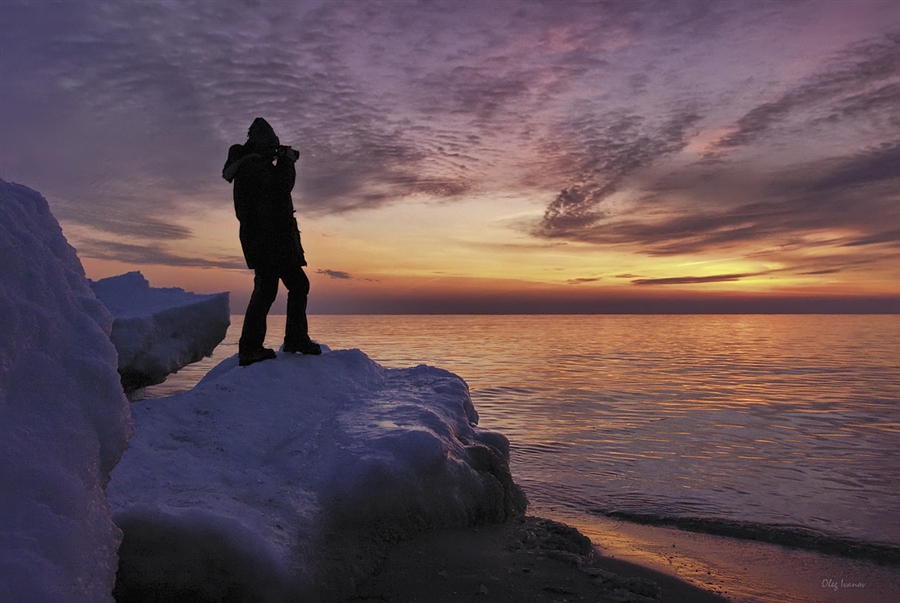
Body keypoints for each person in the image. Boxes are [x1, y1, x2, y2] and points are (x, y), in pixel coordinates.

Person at [223, 117, 321, 366]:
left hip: (267, 239)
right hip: (270, 240)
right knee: (287, 286)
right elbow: (281, 187)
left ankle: (270, 343)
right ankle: (259, 346)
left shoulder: (253, 164)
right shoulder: (254, 165)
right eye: (272, 146)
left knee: (275, 288)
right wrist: (287, 161)